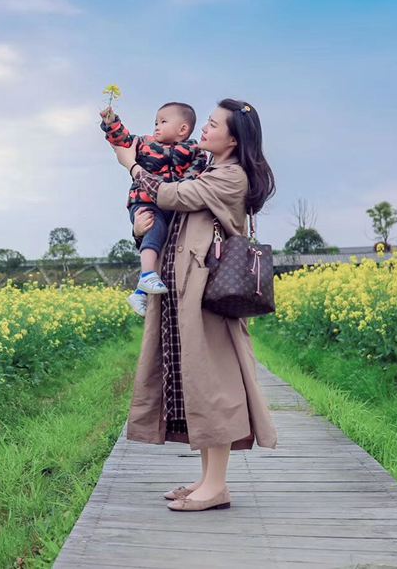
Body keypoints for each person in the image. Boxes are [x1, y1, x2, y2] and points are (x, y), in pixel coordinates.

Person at [111, 98, 279, 512]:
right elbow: (168, 218)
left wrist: (132, 166)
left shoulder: (231, 176)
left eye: (212, 125)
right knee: (195, 384)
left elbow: (170, 195)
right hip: (186, 291)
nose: (204, 130)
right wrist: (139, 227)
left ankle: (217, 485)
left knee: (212, 384)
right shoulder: (207, 168)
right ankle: (206, 479)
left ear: (234, 139)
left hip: (210, 295)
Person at [99, 102, 209, 316]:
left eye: (163, 122)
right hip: (145, 202)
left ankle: (140, 292)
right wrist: (112, 123)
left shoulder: (195, 151)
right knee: (155, 228)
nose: (156, 127)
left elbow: (192, 180)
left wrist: (175, 192)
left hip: (172, 204)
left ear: (183, 129)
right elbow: (123, 140)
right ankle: (147, 274)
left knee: (164, 240)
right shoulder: (144, 143)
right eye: (155, 123)